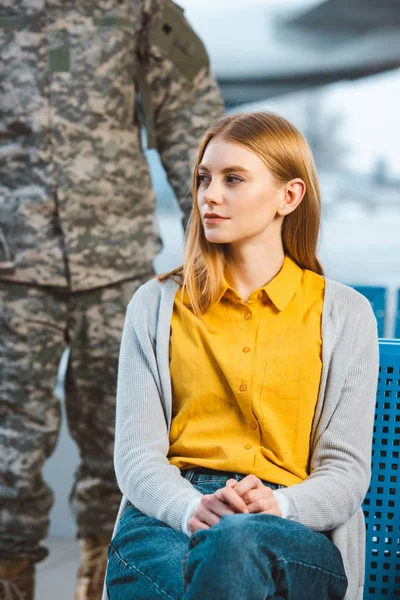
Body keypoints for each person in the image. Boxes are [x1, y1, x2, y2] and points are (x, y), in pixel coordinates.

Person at [104, 111, 379, 600]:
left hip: (293, 525)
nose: (209, 195)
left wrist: (278, 504)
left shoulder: (345, 315)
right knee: (216, 566)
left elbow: (345, 472)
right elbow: (136, 456)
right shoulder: (154, 306)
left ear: (288, 197)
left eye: (233, 179)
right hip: (168, 517)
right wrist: (191, 508)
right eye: (204, 179)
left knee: (235, 548)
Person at [0, 1, 224, 599]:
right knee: (7, 448)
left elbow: (189, 116)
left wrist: (212, 235)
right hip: (10, 261)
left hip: (115, 256)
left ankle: (105, 580)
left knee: (127, 439)